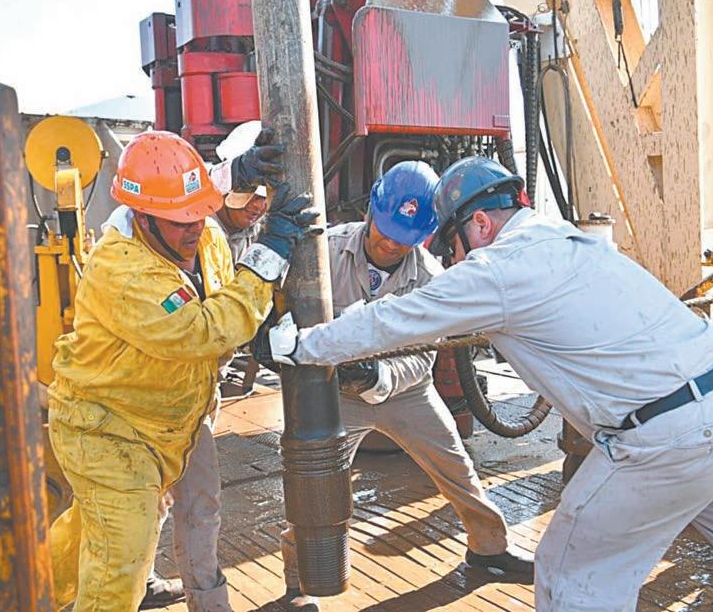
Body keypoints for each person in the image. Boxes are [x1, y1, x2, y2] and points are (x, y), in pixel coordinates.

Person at [258, 156, 713, 612]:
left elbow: (396, 320)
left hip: (671, 438)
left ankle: (490, 547)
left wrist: (302, 347)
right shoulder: (563, 238)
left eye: (453, 246)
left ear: (479, 224)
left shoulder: (498, 269)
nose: (455, 260)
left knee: (567, 576)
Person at [47, 129, 318, 612]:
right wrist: (268, 257)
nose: (194, 228)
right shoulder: (121, 270)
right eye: (179, 221)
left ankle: (27, 590)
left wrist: (233, 178)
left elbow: (220, 280)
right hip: (108, 430)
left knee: (97, 525)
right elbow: (203, 330)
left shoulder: (201, 233)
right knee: (121, 562)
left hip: (173, 422)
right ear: (143, 219)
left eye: (199, 212)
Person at [279, 160, 533, 612]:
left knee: (456, 468)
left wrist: (377, 377)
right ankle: (300, 583)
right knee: (316, 484)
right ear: (370, 211)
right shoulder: (324, 253)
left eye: (405, 237)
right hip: (336, 394)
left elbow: (423, 356)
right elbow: (290, 312)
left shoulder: (431, 277)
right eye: (386, 229)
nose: (392, 242)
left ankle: (489, 548)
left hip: (406, 390)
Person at [211, 121, 269, 261]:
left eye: (265, 197)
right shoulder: (196, 228)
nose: (259, 206)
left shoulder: (260, 230)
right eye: (250, 191)